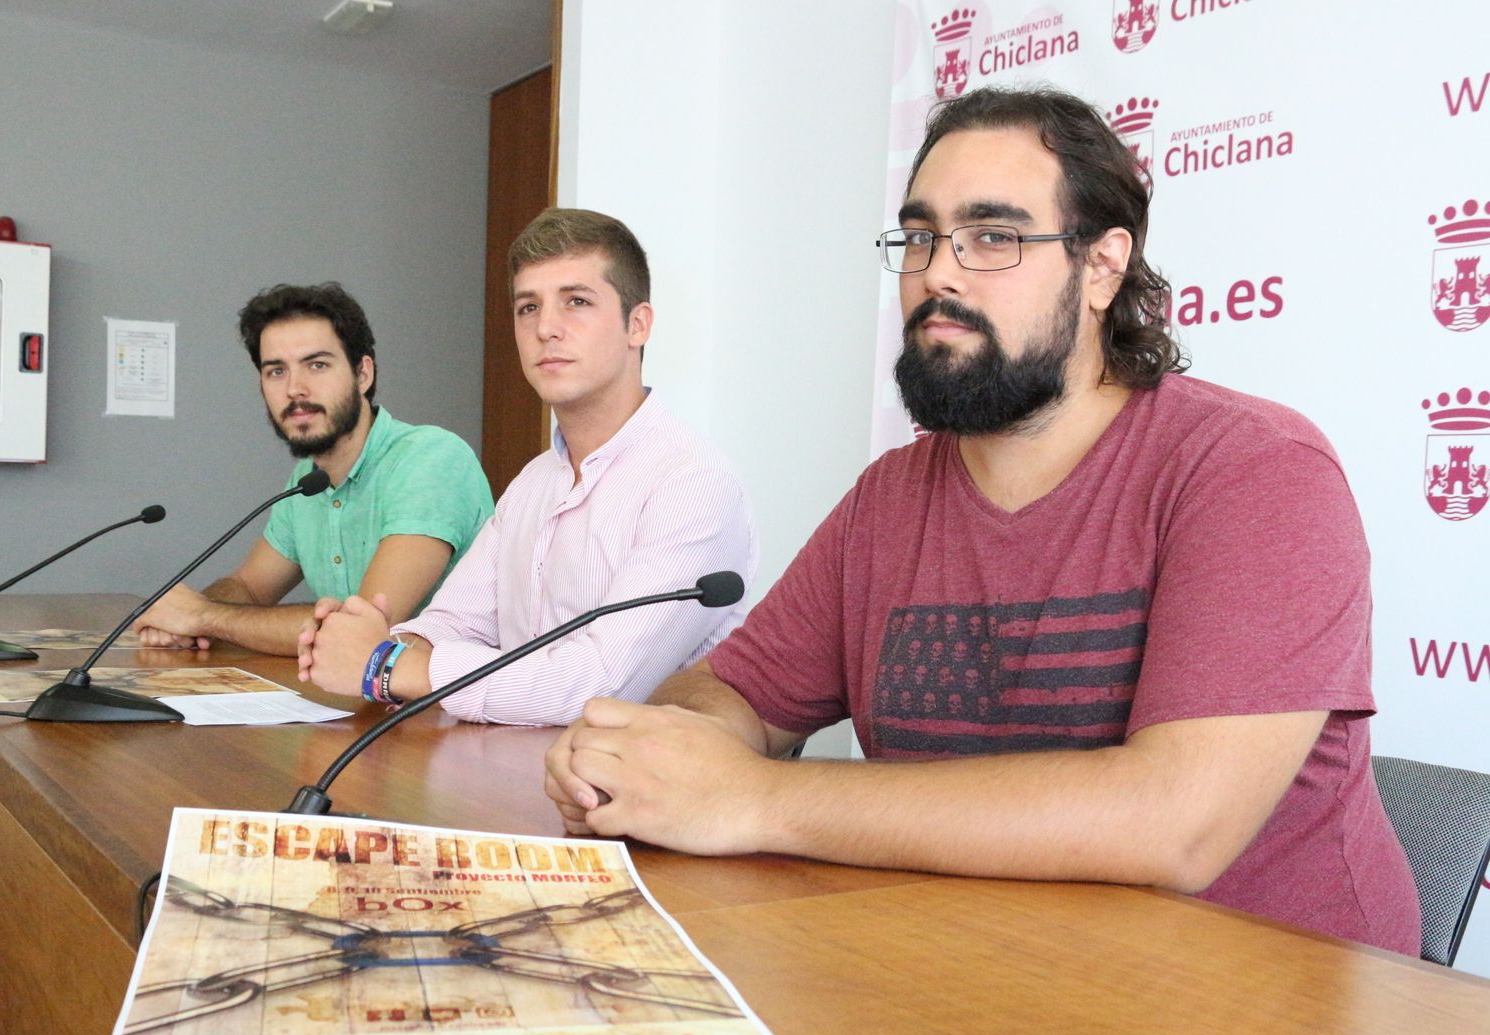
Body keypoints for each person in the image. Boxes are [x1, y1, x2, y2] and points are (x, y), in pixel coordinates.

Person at [543, 87, 1422, 955]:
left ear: (1103, 267)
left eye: (993, 237)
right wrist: (657, 758)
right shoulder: (889, 499)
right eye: (921, 236)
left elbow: (1176, 825)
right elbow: (734, 694)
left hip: (1268, 1004)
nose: (940, 274)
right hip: (981, 969)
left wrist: (753, 798)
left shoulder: (1253, 469)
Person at [299, 209, 756, 724]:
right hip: (515, 770)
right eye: (527, 307)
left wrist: (385, 665)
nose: (546, 329)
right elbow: (457, 621)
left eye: (576, 302)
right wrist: (374, 637)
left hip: (641, 791)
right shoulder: (535, 481)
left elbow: (600, 685)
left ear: (638, 324)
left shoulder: (692, 483)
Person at [133, 283, 492, 656]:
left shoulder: (431, 458)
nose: (295, 389)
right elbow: (249, 589)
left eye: (317, 365)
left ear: (363, 374)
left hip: (455, 708)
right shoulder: (309, 481)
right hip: (361, 702)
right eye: (276, 371)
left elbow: (363, 632)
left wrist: (202, 617)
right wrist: (181, 620)